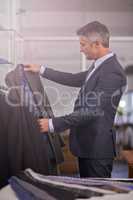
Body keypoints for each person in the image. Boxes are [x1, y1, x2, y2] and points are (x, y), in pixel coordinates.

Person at [24, 21, 127, 178]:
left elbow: (91, 111)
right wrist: (42, 70)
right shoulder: (98, 66)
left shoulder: (112, 72)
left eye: (83, 45)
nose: (80, 49)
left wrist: (52, 124)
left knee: (96, 193)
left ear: (97, 44)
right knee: (87, 191)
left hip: (96, 150)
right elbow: (73, 79)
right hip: (88, 146)